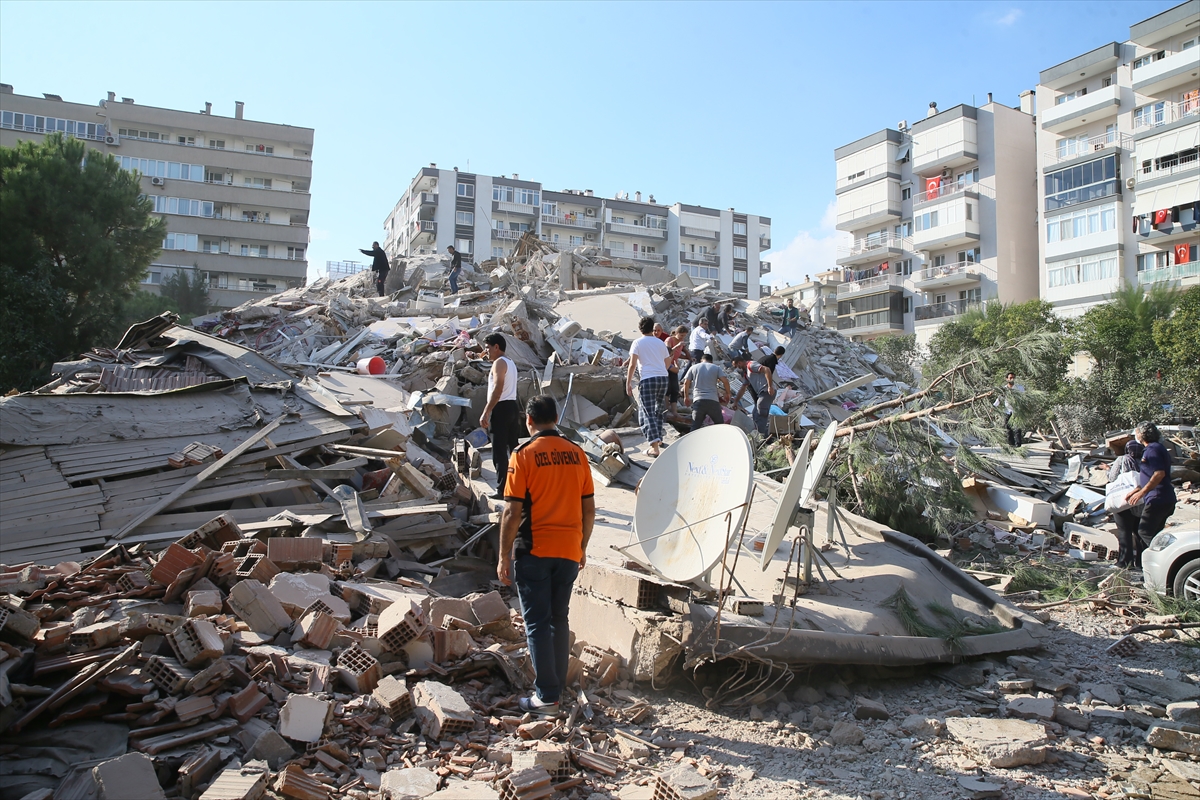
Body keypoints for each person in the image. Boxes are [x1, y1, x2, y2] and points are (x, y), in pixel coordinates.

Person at [497, 396, 595, 717]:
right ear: (556, 418)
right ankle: (557, 691)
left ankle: (547, 698)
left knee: (536, 623)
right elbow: (589, 509)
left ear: (529, 421)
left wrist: (502, 555)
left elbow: (512, 512)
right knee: (558, 619)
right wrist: (581, 547)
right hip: (568, 550)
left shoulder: (522, 455)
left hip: (535, 549)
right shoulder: (578, 454)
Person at [1125, 421, 1177, 566]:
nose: (1135, 435)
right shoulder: (1157, 448)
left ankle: (1166, 559)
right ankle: (1152, 569)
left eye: (1136, 432)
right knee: (1154, 533)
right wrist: (1138, 489)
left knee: (1144, 532)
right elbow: (1151, 475)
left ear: (1142, 434)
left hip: (1158, 498)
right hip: (1163, 498)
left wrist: (1142, 492)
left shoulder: (1152, 450)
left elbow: (1159, 474)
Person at [626, 316, 673, 458]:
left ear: (640, 328)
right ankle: (659, 438)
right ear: (652, 328)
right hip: (663, 379)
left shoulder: (637, 343)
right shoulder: (660, 343)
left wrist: (628, 383)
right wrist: (661, 371)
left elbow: (632, 364)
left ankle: (654, 447)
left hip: (648, 379)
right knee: (658, 409)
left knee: (647, 412)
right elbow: (668, 360)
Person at [480, 333, 520, 499]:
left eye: (488, 348)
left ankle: (502, 488)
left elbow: (497, 390)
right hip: (512, 406)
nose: (486, 351)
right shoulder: (510, 363)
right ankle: (518, 485)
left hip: (501, 408)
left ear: (497, 347)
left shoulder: (499, 363)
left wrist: (486, 411)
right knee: (514, 449)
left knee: (499, 451)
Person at [1108, 439, 1146, 569]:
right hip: (1140, 502)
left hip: (1123, 500)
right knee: (1139, 533)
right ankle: (1141, 563)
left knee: (1124, 532)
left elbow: (1112, 478)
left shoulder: (1122, 460)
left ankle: (1124, 562)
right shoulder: (1144, 461)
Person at [733, 346, 784, 436]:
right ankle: (760, 433)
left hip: (767, 391)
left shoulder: (751, 365)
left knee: (761, 409)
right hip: (762, 393)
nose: (737, 368)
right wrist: (736, 402)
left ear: (740, 362)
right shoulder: (746, 374)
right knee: (755, 414)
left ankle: (761, 435)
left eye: (737, 366)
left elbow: (767, 369)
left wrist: (769, 386)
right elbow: (742, 389)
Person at [683, 353, 730, 431]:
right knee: (720, 425)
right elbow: (725, 381)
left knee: (695, 427)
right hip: (713, 401)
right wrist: (728, 394)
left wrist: (686, 396)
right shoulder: (716, 368)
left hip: (698, 401)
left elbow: (686, 383)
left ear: (701, 360)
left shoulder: (693, 367)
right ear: (711, 361)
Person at [999, 372, 1025, 446]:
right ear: (1007, 379)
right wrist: (993, 407)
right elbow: (999, 399)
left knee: (1017, 429)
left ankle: (1018, 445)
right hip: (1007, 411)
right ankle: (1011, 445)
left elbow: (1024, 398)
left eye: (1013, 377)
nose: (1012, 379)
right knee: (1008, 429)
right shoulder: (1004, 389)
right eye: (1010, 378)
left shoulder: (1020, 388)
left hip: (1017, 411)